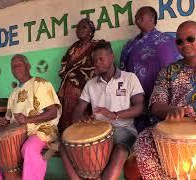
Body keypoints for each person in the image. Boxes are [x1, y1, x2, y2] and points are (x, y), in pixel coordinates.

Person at [61, 40, 145, 179]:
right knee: (65, 147)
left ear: (112, 57)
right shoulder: (91, 84)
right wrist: (80, 120)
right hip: (97, 131)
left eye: (101, 59)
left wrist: (114, 114)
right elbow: (78, 109)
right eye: (94, 60)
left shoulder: (129, 78)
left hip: (123, 129)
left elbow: (139, 107)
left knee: (120, 151)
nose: (97, 63)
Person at [134, 20, 196, 179]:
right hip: (173, 129)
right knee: (143, 141)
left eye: (190, 39)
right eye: (179, 41)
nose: (185, 44)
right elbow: (156, 104)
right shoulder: (168, 71)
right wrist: (170, 110)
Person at [0, 54, 62, 180]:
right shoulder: (13, 94)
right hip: (19, 134)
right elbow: (10, 119)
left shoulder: (40, 84)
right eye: (12, 67)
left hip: (42, 130)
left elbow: (52, 112)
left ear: (28, 66)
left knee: (29, 149)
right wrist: (4, 121)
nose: (15, 69)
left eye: (18, 65)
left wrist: (28, 120)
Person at [120, 6, 181, 132]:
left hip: (163, 95)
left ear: (152, 17)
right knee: (140, 133)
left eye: (140, 14)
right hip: (137, 96)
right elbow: (123, 70)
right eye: (136, 15)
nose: (137, 17)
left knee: (164, 133)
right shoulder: (130, 45)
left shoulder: (168, 41)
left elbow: (178, 68)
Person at [58, 18, 96, 134]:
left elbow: (96, 67)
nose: (79, 29)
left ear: (91, 31)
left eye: (84, 27)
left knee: (82, 115)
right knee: (66, 114)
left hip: (84, 87)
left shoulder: (95, 46)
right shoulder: (73, 48)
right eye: (78, 27)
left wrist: (75, 74)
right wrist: (67, 72)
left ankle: (81, 140)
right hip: (68, 87)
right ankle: (68, 138)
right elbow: (65, 63)